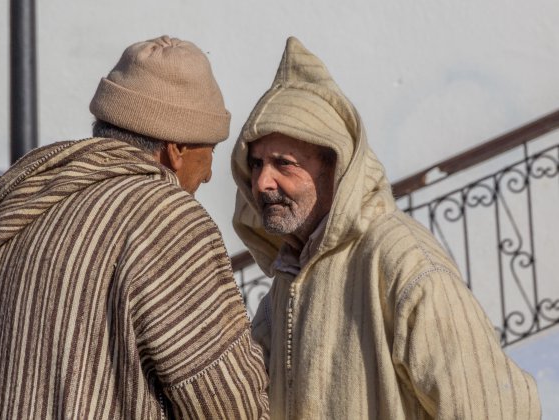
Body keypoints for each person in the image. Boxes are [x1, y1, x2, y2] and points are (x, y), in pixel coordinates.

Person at [0, 35, 269, 419]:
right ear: (176, 149)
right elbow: (224, 402)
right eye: (210, 152)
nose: (208, 175)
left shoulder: (17, 204)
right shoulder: (164, 217)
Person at [231, 36, 540, 419]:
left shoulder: (403, 262)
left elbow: (493, 409)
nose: (262, 182)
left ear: (335, 166)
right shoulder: (289, 278)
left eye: (284, 163)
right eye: (257, 164)